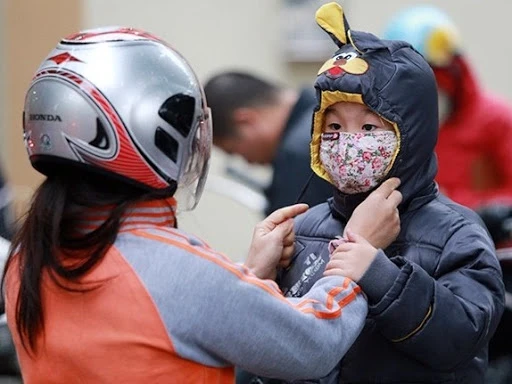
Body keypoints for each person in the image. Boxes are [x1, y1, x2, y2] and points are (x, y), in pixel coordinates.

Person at [0, 26, 403, 384]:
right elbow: (313, 343)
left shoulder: (27, 259)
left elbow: (168, 326)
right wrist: (358, 249)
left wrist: (252, 275)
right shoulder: (171, 268)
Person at [238, 3, 505, 383]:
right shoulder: (305, 228)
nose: (347, 143)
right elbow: (266, 353)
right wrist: (255, 279)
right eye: (333, 125)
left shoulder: (455, 232)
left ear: (410, 133)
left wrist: (383, 277)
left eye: (367, 128)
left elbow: (462, 339)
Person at [382, 5, 512, 209]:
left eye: (435, 73)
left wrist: (473, 207)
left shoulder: (497, 120)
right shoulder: (389, 127)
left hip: (484, 237)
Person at [203, 71, 334, 216]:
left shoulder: (298, 155)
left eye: (233, 151)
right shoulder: (333, 107)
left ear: (245, 121)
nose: (247, 162)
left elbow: (295, 236)